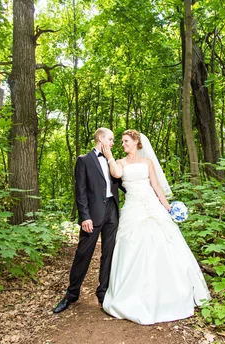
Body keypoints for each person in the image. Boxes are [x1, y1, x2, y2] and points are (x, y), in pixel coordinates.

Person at [100, 129, 210, 325]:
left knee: (164, 244)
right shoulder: (120, 162)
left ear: (136, 142)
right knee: (133, 246)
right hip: (133, 207)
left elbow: (156, 186)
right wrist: (108, 155)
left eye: (125, 141)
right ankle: (134, 295)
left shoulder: (147, 162)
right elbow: (116, 173)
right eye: (122, 142)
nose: (122, 144)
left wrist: (168, 208)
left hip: (152, 205)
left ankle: (170, 295)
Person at [53, 128, 123, 313]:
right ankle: (72, 294)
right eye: (111, 139)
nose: (113, 143)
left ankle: (103, 292)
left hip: (112, 211)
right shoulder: (83, 160)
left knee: (109, 253)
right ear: (101, 139)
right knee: (83, 253)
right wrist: (84, 216)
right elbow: (80, 191)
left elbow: (124, 183)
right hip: (93, 214)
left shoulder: (112, 160)